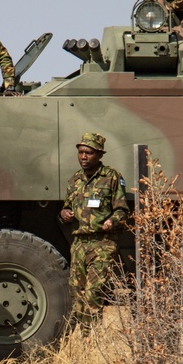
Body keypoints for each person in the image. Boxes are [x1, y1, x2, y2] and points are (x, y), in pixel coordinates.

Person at [59, 133, 130, 332]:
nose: (83, 156)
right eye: (80, 152)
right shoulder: (75, 180)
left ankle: (92, 338)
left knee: (94, 293)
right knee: (76, 292)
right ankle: (83, 336)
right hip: (79, 244)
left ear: (99, 155)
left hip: (103, 243)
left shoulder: (111, 177)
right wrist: (64, 214)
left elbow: (123, 211)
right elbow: (65, 210)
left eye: (88, 153)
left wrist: (111, 221)